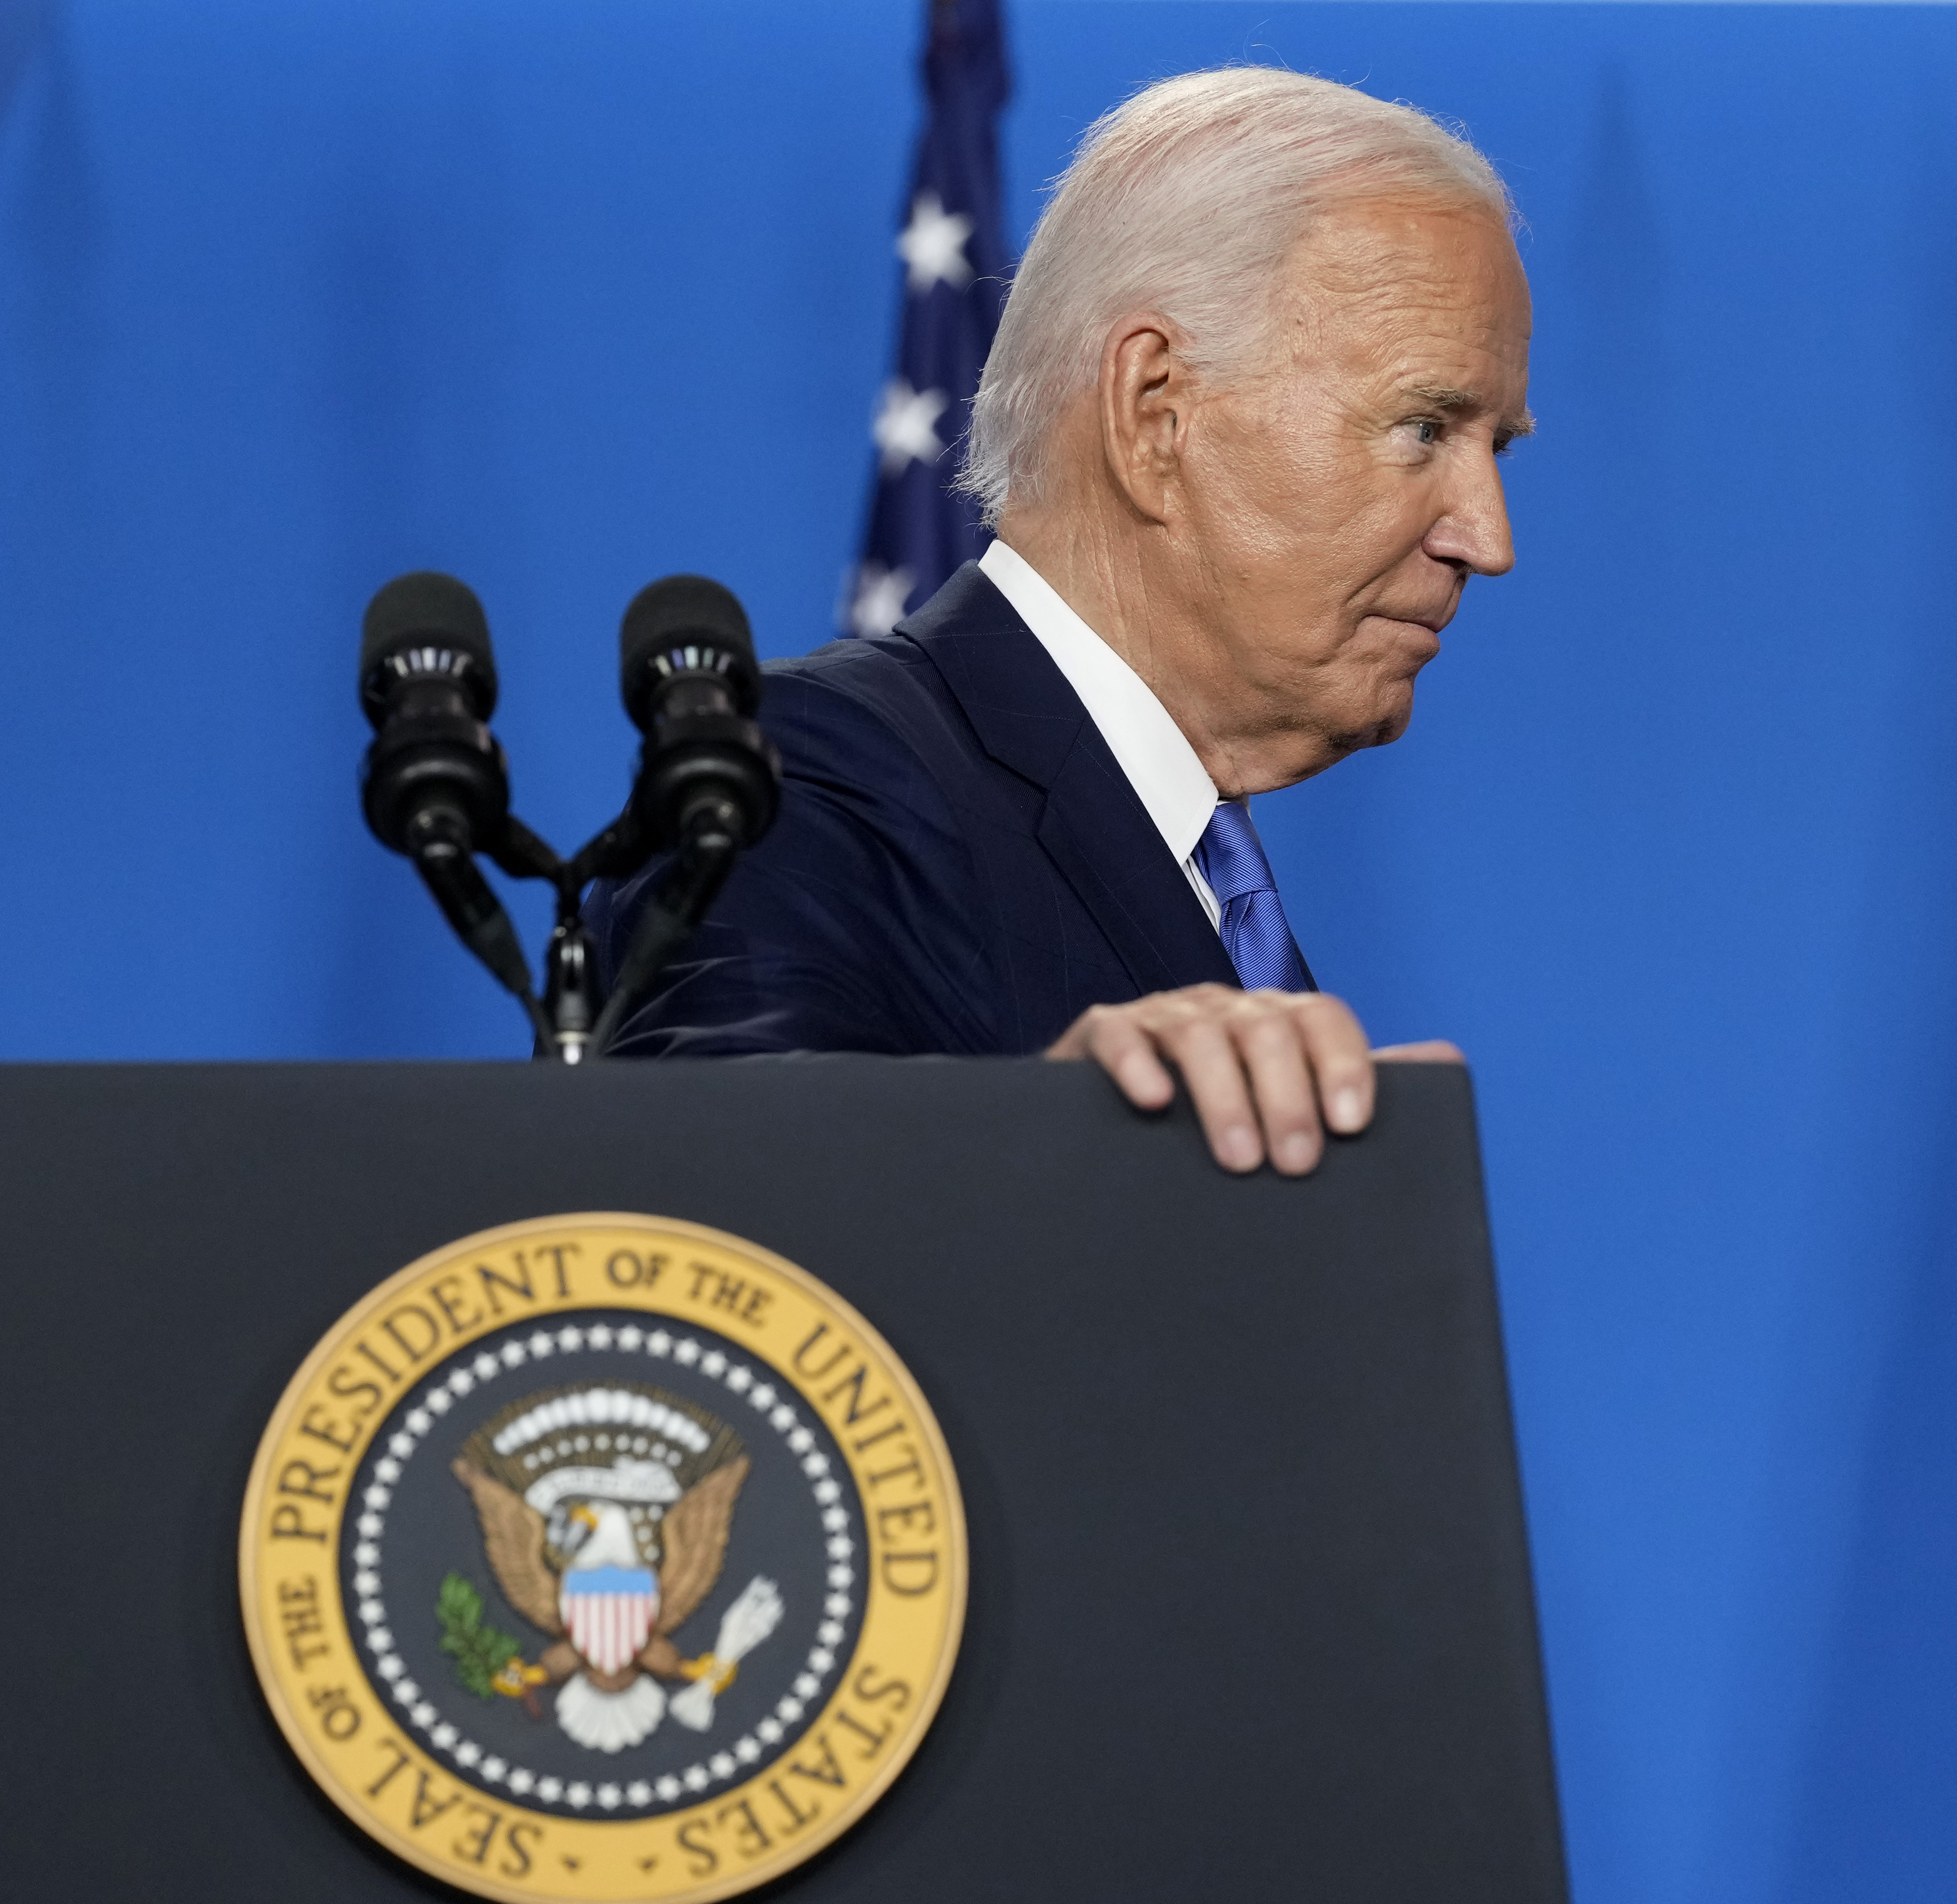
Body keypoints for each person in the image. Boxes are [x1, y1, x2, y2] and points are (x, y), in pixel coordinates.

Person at [592, 68, 1530, 1178]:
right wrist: (1037, 1143)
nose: (1486, 535)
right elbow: (691, 1205)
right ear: (1154, 413)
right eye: (1424, 427)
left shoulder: (1194, 865)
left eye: (1496, 448)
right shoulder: (800, 778)